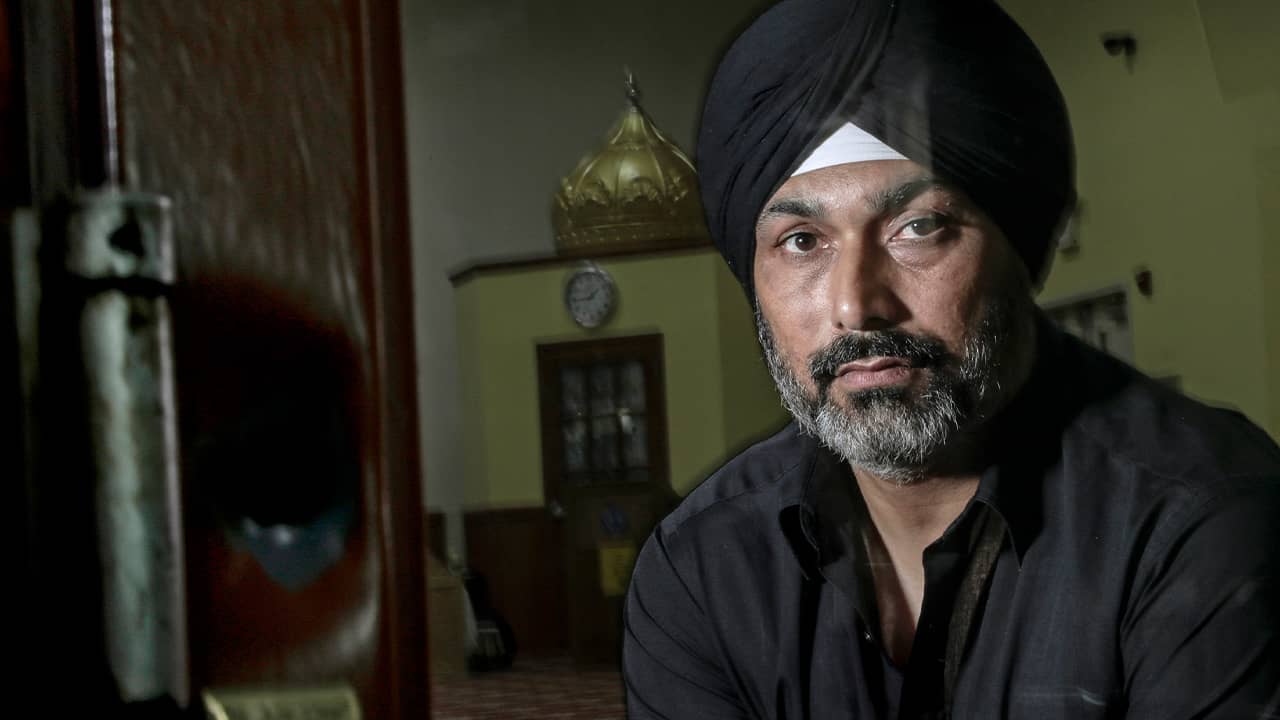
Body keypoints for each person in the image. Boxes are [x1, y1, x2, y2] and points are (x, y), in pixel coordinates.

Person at [621, 0, 1280, 718]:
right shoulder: (702, 567)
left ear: (1016, 245)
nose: (855, 304)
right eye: (802, 242)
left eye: (918, 227)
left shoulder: (1201, 520)